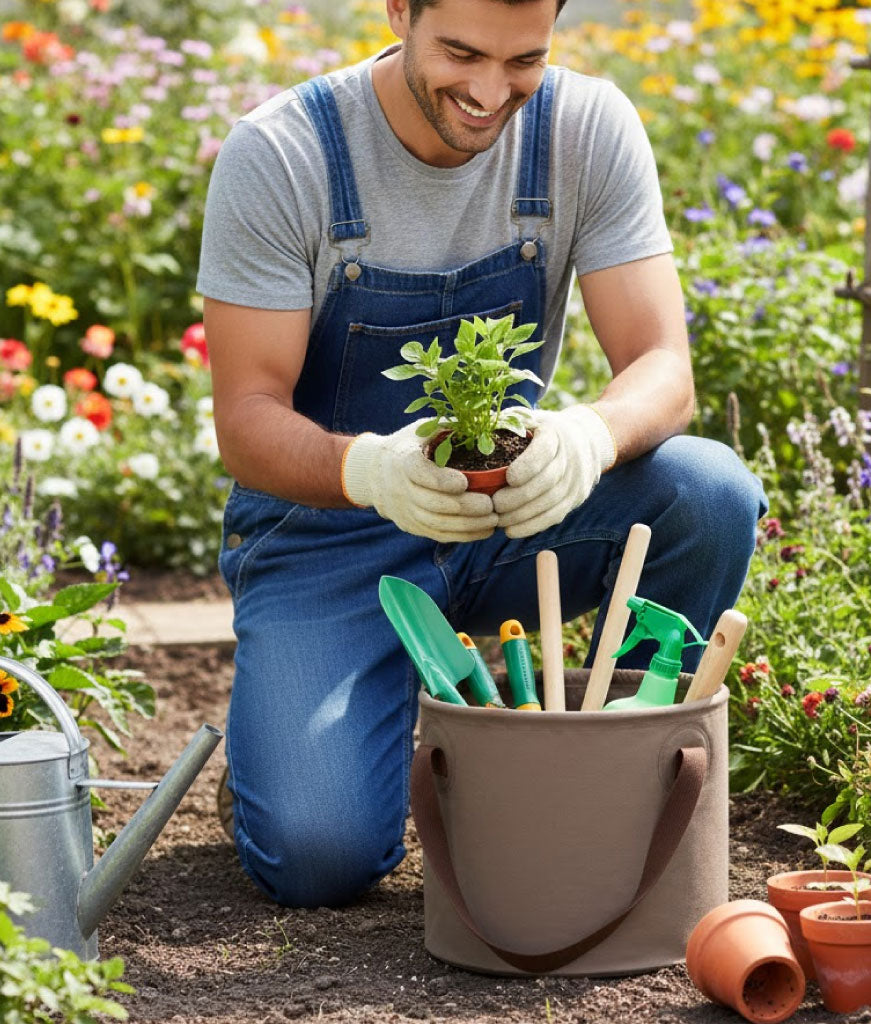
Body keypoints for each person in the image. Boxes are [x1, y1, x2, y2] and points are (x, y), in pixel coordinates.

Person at [197, 0, 767, 909]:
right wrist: (372, 471)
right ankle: (297, 745)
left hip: (513, 518)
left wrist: (587, 437)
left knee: (707, 491)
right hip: (331, 535)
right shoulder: (285, 156)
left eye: (524, 60)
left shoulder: (583, 127)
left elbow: (662, 366)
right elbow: (247, 419)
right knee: (318, 855)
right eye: (460, 53)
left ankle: (621, 773)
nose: (490, 92)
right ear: (397, 11)